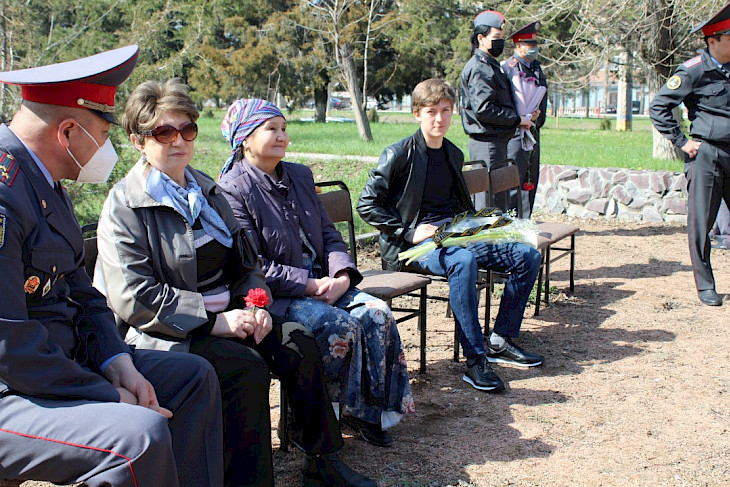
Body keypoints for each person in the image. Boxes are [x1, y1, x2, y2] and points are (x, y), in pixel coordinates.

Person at [94, 80, 376, 487]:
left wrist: (257, 304)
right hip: (172, 332)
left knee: (298, 340)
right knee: (245, 368)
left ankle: (322, 461)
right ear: (139, 141)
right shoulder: (125, 205)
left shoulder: (205, 190)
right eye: (163, 132)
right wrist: (214, 323)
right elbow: (135, 297)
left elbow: (246, 261)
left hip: (231, 313)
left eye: (187, 129)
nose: (178, 140)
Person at [0, 46, 224, 486]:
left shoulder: (45, 182)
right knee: (138, 437)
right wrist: (105, 392)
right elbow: (8, 343)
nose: (108, 148)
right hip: (13, 387)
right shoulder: (6, 195)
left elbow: (84, 296)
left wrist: (117, 362)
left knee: (193, 377)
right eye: (103, 134)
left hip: (58, 365)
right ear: (68, 132)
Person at [218, 98, 414, 449]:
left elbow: (328, 234)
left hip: (327, 282)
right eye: (271, 129)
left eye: (284, 128)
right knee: (338, 326)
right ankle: (307, 421)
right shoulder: (233, 189)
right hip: (278, 295)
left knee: (378, 314)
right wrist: (308, 285)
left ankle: (365, 412)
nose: (282, 136)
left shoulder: (300, 175)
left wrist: (342, 277)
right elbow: (252, 264)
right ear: (245, 139)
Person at [357, 78, 543, 393]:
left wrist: (484, 226)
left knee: (527, 255)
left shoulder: (453, 154)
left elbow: (461, 207)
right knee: (463, 261)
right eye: (431, 111)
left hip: (455, 238)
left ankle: (500, 340)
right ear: (417, 113)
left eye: (445, 110)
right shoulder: (398, 154)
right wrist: (409, 232)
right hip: (415, 247)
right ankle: (476, 360)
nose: (439, 118)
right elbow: (366, 204)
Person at [650, 2, 730, 307]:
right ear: (713, 41)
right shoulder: (694, 70)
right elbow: (659, 107)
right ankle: (706, 285)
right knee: (701, 224)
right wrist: (682, 142)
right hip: (707, 155)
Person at [460, 10, 536, 211]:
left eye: (502, 37)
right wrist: (517, 119)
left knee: (499, 203)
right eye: (496, 38)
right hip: (487, 144)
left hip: (497, 143)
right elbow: (484, 110)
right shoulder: (480, 68)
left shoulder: (491, 66)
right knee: (488, 205)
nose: (500, 42)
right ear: (481, 38)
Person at [503, 21, 548, 218]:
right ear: (518, 45)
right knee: (514, 177)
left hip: (533, 130)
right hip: (515, 132)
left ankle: (526, 219)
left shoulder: (536, 68)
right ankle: (511, 219)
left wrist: (537, 118)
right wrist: (521, 118)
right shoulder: (509, 68)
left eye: (535, 44)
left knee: (531, 176)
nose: (534, 48)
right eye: (530, 45)